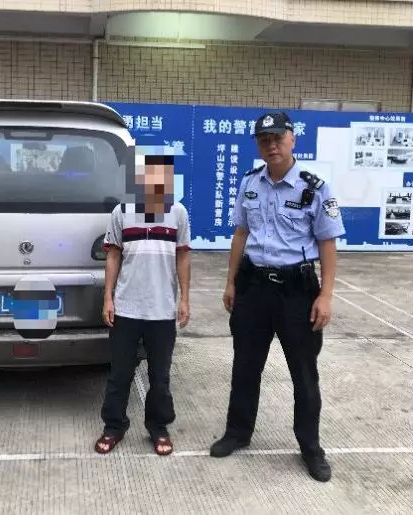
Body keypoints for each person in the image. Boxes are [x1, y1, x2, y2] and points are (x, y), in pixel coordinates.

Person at [210, 111, 345, 482]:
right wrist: (231, 282)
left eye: (277, 138)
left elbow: (327, 243)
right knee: (245, 365)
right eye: (264, 140)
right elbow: (241, 233)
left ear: (292, 138)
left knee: (304, 373)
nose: (271, 145)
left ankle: (310, 447)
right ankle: (238, 432)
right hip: (253, 287)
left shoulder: (314, 188)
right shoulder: (250, 182)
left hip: (296, 292)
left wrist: (326, 295)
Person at [94, 146, 191, 456]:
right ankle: (114, 426)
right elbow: (113, 256)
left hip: (162, 309)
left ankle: (158, 427)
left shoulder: (178, 213)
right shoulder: (121, 212)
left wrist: (185, 299)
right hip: (126, 307)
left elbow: (183, 256)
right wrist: (108, 297)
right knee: (120, 373)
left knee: (159, 376)